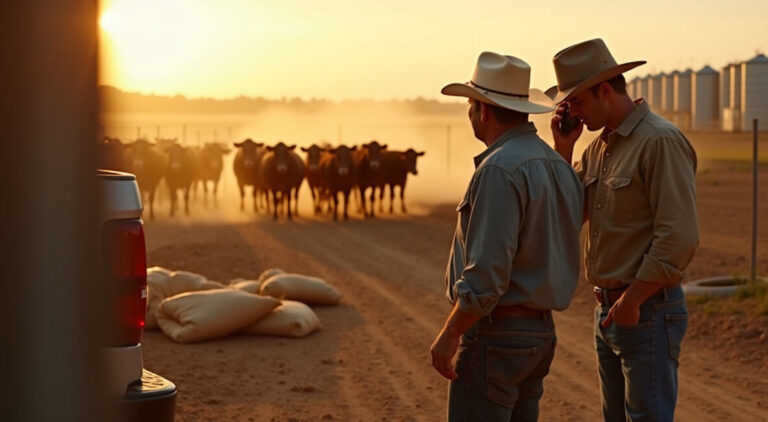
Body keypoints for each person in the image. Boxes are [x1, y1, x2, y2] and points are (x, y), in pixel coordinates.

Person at [549, 38, 699, 422]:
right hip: (609, 312)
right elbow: (567, 214)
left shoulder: (659, 141)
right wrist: (563, 149)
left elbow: (678, 237)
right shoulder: (597, 148)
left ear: (604, 90)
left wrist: (632, 300)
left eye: (577, 102)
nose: (574, 114)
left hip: (646, 309)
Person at [430, 51, 584, 422]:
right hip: (539, 335)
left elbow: (486, 275)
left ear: (483, 110)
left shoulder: (499, 170)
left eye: (470, 103)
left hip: (497, 337)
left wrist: (451, 332)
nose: (469, 112)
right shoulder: (556, 164)